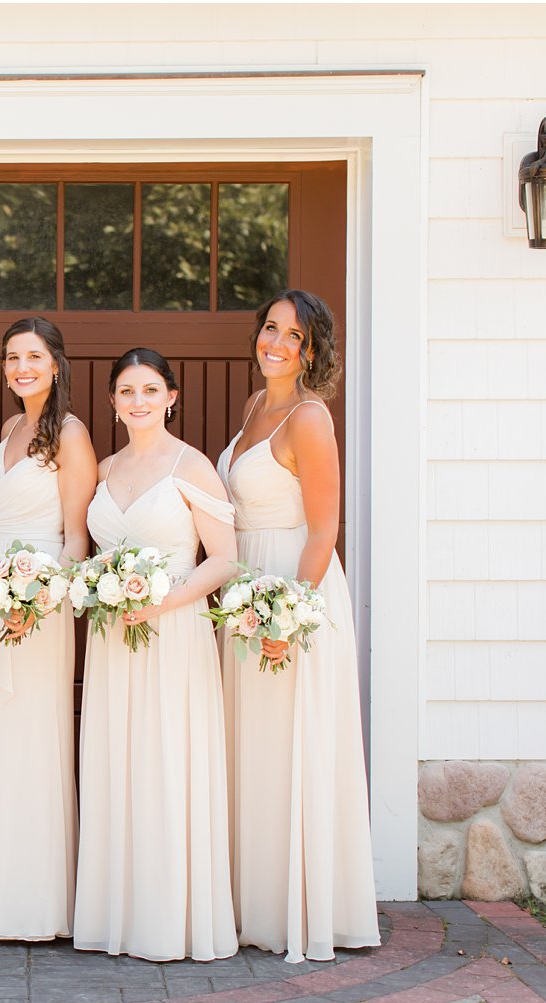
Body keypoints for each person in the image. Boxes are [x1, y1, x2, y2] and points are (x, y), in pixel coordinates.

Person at [217, 290, 380, 963]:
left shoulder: (310, 418)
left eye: (294, 336)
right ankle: (256, 904)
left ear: (313, 351)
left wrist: (289, 614)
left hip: (292, 587)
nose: (276, 343)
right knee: (253, 748)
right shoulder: (257, 407)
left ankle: (301, 910)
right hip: (246, 586)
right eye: (270, 328)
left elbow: (323, 530)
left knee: (291, 745)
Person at [74, 348, 240, 963]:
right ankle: (117, 915)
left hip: (173, 632)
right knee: (118, 761)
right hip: (114, 636)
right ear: (114, 401)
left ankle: (170, 920)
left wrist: (161, 602)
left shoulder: (191, 466)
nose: (138, 401)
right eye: (126, 391)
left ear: (171, 397)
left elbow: (223, 558)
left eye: (149, 390)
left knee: (168, 760)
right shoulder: (105, 467)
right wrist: (99, 585)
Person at [0, 317, 93, 941]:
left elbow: (75, 539)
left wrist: (38, 598)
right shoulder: (9, 429)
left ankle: (37, 903)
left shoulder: (69, 433)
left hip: (41, 606)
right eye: (12, 356)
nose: (21, 367)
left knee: (33, 739)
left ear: (56, 364)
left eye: (34, 356)